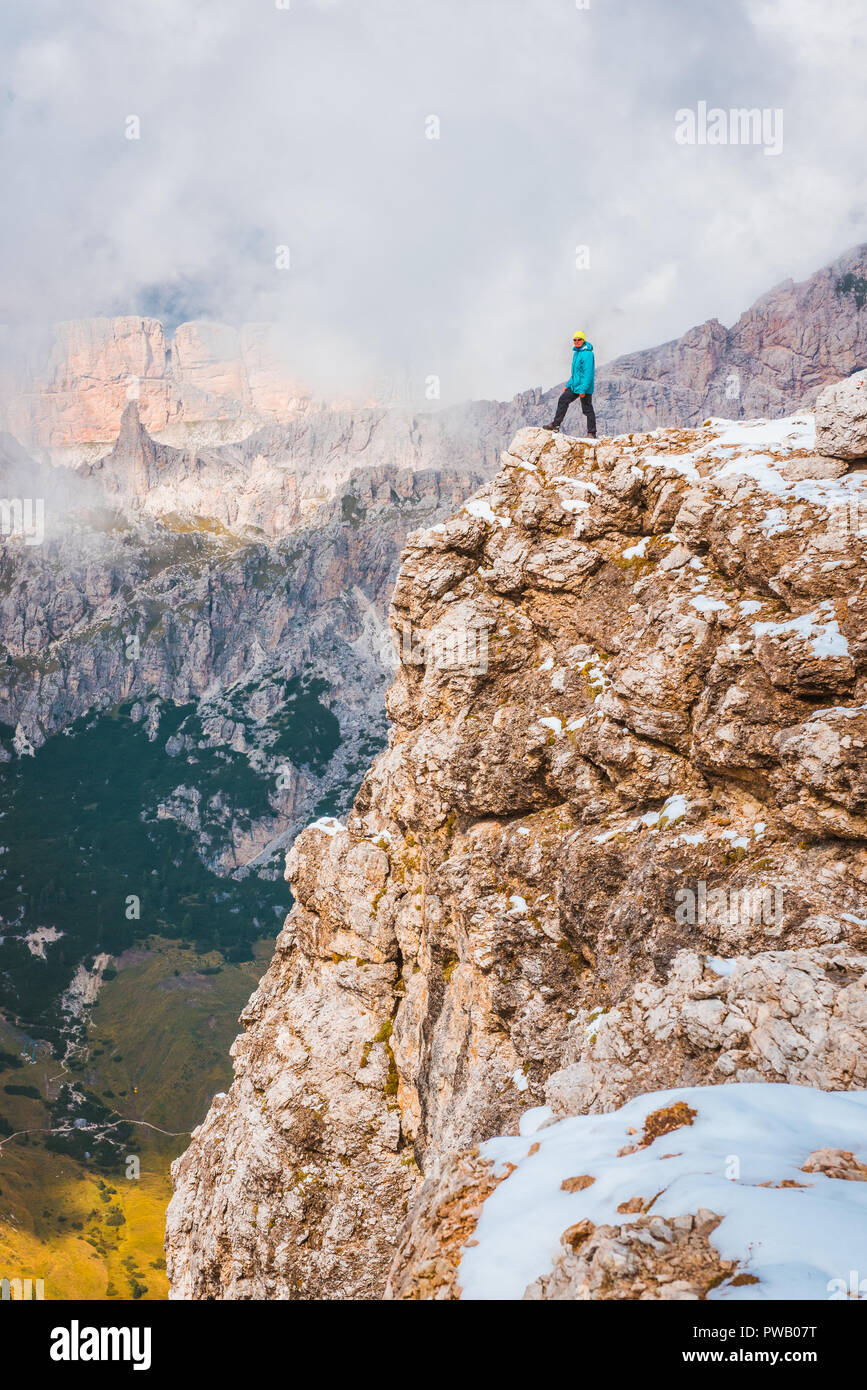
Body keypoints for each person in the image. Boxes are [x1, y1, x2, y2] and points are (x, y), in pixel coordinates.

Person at [544, 331, 597, 436]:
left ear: (583, 340)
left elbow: (588, 374)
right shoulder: (576, 353)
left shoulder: (588, 354)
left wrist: (583, 389)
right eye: (575, 340)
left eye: (579, 339)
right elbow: (575, 373)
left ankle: (592, 432)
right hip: (575, 385)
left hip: (584, 387)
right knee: (563, 400)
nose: (576, 341)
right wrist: (568, 385)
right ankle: (556, 425)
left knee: (587, 409)